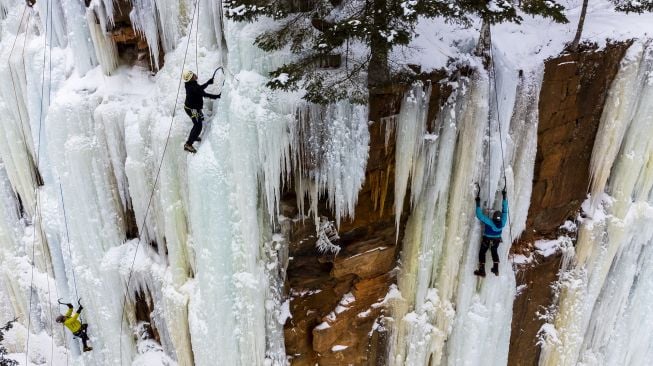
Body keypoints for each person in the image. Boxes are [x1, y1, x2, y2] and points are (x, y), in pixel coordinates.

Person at [182, 70, 220, 153]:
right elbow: (202, 92)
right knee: (198, 125)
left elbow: (202, 92)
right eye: (193, 75)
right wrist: (209, 84)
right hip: (192, 109)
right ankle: (188, 144)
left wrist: (216, 96)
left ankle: (194, 136)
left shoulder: (192, 84)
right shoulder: (192, 87)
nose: (195, 75)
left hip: (193, 107)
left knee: (198, 122)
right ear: (191, 78)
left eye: (193, 73)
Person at [474, 187, 508, 277]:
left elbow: (479, 215)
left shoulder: (489, 222)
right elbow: (505, 212)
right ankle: (496, 268)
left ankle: (482, 270)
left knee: (482, 253)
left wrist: (477, 203)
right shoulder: (503, 222)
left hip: (487, 239)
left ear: (493, 217)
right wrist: (504, 198)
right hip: (496, 240)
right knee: (494, 250)